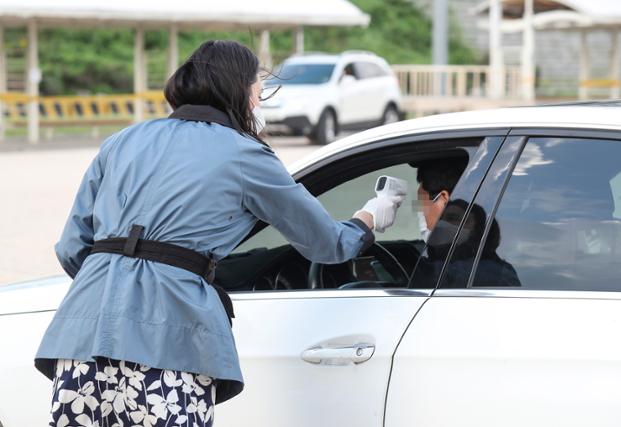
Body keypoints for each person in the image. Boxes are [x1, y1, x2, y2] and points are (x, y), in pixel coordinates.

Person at [35, 40, 405, 427]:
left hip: (81, 338)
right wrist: (368, 218)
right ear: (238, 91)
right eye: (258, 95)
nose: (259, 106)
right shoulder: (245, 155)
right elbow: (325, 243)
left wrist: (115, 283)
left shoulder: (122, 141)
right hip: (168, 342)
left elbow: (73, 247)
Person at [411, 157, 519, 288]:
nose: (419, 210)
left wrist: (377, 223)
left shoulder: (471, 272)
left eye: (420, 203)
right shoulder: (500, 268)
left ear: (443, 198)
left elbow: (421, 275)